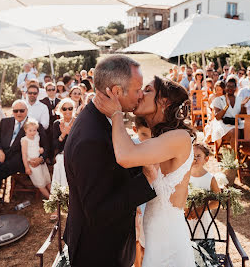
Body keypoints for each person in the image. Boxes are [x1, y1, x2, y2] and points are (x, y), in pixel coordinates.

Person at [94, 73, 196, 267]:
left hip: (168, 239)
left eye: (148, 90)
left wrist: (116, 114)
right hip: (152, 235)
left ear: (164, 102)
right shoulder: (157, 140)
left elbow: (125, 156)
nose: (140, 94)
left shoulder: (180, 138)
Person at [63, 55, 157, 267]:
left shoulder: (100, 119)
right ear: (116, 92)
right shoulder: (91, 139)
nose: (141, 95)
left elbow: (112, 174)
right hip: (99, 251)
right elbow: (97, 212)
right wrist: (146, 179)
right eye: (137, 89)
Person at [0, 100, 48, 220]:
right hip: (3, 154)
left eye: (22, 110)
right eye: (16, 111)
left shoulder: (34, 124)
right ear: (12, 111)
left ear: (27, 111)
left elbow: (47, 146)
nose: (19, 113)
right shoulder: (6, 122)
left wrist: (41, 158)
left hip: (21, 158)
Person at [185, 143, 221, 255]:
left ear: (206, 159)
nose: (194, 159)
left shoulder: (210, 178)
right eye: (192, 155)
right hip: (185, 217)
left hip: (203, 220)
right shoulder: (183, 176)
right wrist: (184, 209)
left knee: (202, 250)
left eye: (198, 156)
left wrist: (201, 209)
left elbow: (217, 201)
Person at [50, 98, 76, 220]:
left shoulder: (77, 122)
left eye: (70, 108)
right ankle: (61, 201)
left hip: (76, 154)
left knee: (60, 164)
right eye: (64, 109)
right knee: (59, 163)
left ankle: (62, 202)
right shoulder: (57, 124)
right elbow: (55, 145)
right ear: (61, 110)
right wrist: (63, 134)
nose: (67, 111)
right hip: (62, 154)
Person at [132, 116, 152, 267]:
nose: (148, 139)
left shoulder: (156, 145)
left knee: (148, 238)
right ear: (135, 130)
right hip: (137, 197)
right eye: (144, 134)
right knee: (137, 238)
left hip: (152, 197)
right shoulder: (132, 145)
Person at [210, 78, 249, 148]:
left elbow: (243, 117)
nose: (230, 88)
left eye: (232, 86)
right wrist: (226, 106)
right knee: (234, 131)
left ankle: (246, 153)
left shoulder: (239, 99)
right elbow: (217, 117)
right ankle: (235, 156)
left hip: (236, 123)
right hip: (223, 125)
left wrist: (243, 106)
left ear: (235, 88)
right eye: (228, 86)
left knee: (249, 129)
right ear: (225, 88)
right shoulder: (218, 100)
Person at [21, 119, 51, 198]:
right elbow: (24, 154)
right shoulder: (25, 140)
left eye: (34, 130)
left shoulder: (36, 137)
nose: (32, 132)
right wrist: (27, 167)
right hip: (32, 164)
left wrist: (41, 149)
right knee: (40, 183)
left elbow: (37, 147)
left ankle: (55, 196)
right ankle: (50, 198)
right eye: (30, 130)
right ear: (25, 130)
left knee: (47, 179)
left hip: (40, 162)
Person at [40, 82, 60, 162]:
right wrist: (53, 112)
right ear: (46, 91)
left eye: (53, 89)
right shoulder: (42, 102)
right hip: (47, 126)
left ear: (55, 90)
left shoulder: (60, 101)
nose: (51, 91)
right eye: (49, 90)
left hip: (58, 125)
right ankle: (48, 156)